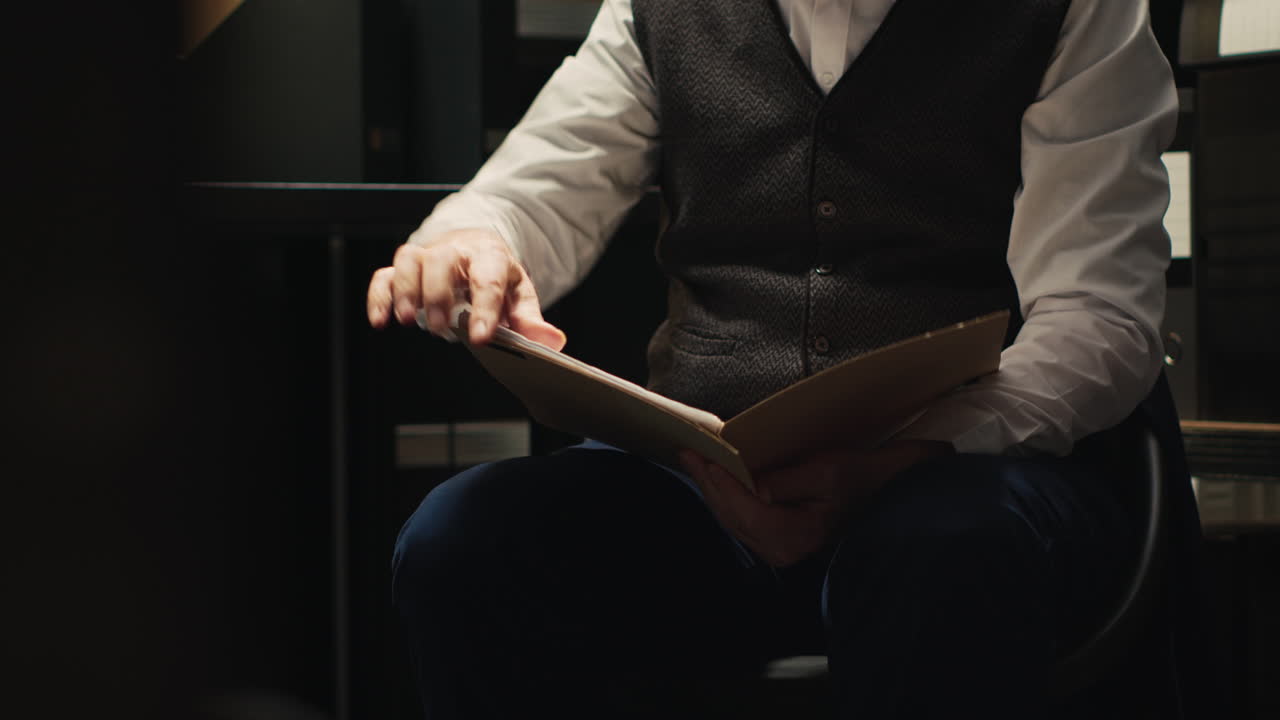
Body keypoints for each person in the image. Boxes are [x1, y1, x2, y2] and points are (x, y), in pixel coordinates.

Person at [370, 1, 1210, 717]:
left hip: (970, 471)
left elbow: (1099, 318)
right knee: (466, 543)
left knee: (944, 551)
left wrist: (906, 457)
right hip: (711, 480)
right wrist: (473, 238)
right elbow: (537, 185)